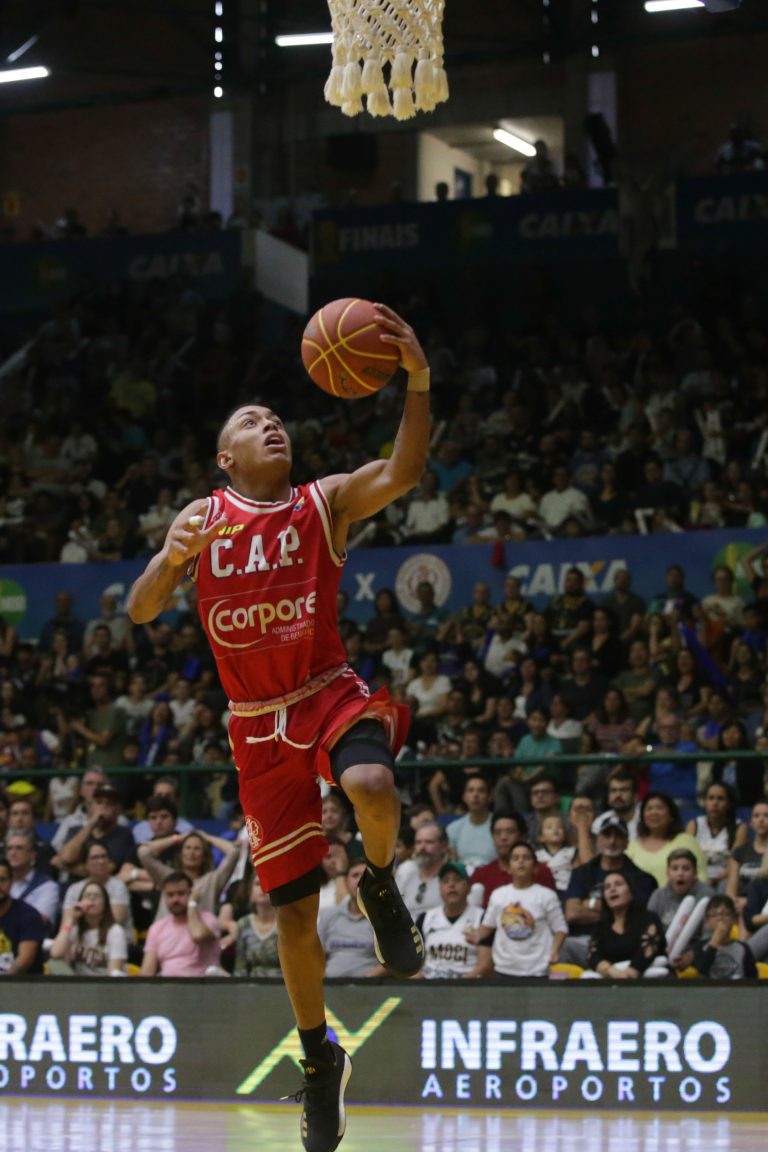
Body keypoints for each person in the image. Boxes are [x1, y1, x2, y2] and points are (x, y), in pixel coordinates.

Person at [126, 302, 429, 1152]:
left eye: (278, 418)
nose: (273, 425)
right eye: (252, 421)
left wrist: (417, 379)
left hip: (326, 691)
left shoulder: (322, 502)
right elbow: (142, 610)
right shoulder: (202, 521)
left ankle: (378, 882)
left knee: (369, 782)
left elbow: (404, 469)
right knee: (293, 916)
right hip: (257, 728)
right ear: (225, 458)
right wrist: (170, 556)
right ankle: (320, 1057)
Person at [560, 812, 657, 966]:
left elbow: (635, 919)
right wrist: (615, 912)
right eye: (607, 835)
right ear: (598, 840)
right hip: (586, 939)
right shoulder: (582, 873)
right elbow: (572, 914)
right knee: (563, 946)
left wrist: (589, 904)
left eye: (618, 836)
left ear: (627, 842)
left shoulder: (642, 879)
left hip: (625, 942)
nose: (612, 841)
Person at [475, 842, 567, 979]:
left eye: (526, 858)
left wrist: (554, 951)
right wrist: (474, 935)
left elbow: (561, 929)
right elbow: (487, 926)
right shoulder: (498, 895)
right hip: (503, 969)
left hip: (537, 970)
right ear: (508, 868)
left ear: (535, 867)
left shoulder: (547, 895)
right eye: (515, 858)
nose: (521, 862)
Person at [140, 870, 222, 976]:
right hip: (168, 984)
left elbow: (198, 935)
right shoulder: (157, 928)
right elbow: (147, 971)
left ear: (191, 893)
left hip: (202, 983)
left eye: (181, 894)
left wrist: (192, 904)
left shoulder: (208, 919)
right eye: (170, 895)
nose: (175, 900)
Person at [586, 870, 665, 979]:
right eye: (607, 887)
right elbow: (593, 956)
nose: (612, 889)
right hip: (612, 982)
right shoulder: (600, 927)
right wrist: (612, 971)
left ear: (631, 892)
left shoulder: (649, 919)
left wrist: (629, 974)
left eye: (618, 884)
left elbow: (648, 949)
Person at [415, 861, 485, 979]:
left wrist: (459, 987)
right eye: (445, 881)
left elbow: (485, 965)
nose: (451, 885)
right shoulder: (425, 918)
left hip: (468, 986)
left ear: (469, 887)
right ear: (440, 888)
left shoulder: (482, 918)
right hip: (429, 984)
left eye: (457, 880)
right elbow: (411, 961)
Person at [317, 860, 384, 978]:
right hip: (330, 983)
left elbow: (394, 960)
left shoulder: (385, 918)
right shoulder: (329, 916)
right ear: (346, 883)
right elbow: (316, 955)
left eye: (365, 876)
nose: (360, 880)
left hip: (370, 985)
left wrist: (367, 980)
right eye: (355, 875)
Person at [626, 792, 708, 887]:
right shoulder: (632, 846)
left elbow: (701, 876)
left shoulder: (686, 841)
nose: (654, 812)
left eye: (659, 808)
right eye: (649, 809)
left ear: (671, 815)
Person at [48, 879, 128, 975]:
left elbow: (114, 973)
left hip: (104, 982)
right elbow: (56, 953)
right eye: (87, 895)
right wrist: (70, 920)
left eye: (96, 896)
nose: (92, 899)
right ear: (80, 901)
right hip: (79, 982)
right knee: (54, 963)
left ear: (105, 904)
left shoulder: (115, 931)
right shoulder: (74, 929)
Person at [676, 894, 758, 979]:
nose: (720, 918)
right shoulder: (699, 947)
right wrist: (716, 939)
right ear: (707, 922)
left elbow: (753, 979)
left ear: (733, 918)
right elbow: (702, 969)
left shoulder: (743, 948)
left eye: (725, 914)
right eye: (714, 915)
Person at [685, 781, 747, 890]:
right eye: (711, 798)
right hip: (698, 877)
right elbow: (686, 858)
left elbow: (735, 862)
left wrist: (714, 880)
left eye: (720, 799)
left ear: (729, 803)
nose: (715, 803)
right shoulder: (693, 825)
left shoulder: (739, 827)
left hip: (726, 877)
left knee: (725, 885)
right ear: (705, 802)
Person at [5, 829, 61, 929]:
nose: (13, 853)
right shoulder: (2, 883)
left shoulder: (47, 887)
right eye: (9, 849)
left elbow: (38, 922)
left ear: (32, 855)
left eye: (19, 848)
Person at [0, 858, 45, 975]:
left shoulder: (28, 915)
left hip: (22, 983)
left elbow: (24, 960)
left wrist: (4, 982)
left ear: (11, 881)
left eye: (2, 880)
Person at [233, 873, 281, 977]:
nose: (262, 888)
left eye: (268, 884)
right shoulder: (243, 924)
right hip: (251, 984)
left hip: (281, 983)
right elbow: (240, 966)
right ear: (250, 891)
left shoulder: (285, 924)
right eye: (258, 884)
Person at [445, 774, 495, 873]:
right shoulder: (453, 829)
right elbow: (453, 862)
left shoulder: (500, 826)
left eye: (481, 791)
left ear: (490, 797)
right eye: (470, 790)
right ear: (464, 797)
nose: (475, 795)